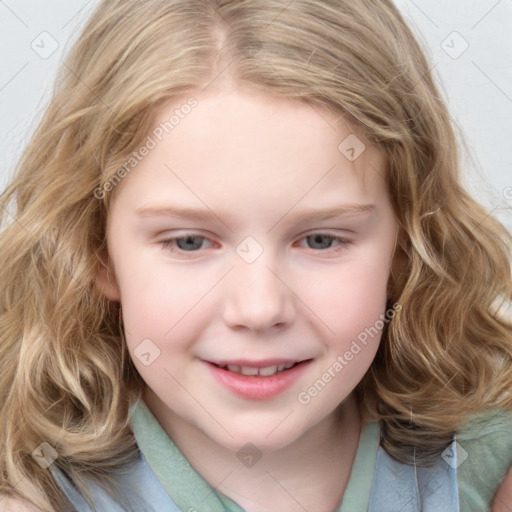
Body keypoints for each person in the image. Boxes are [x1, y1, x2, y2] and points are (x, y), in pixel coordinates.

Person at [1, 0, 511, 510]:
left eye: (320, 240)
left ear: (405, 247)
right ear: (97, 253)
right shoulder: (33, 491)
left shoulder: (487, 468)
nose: (259, 308)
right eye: (189, 242)